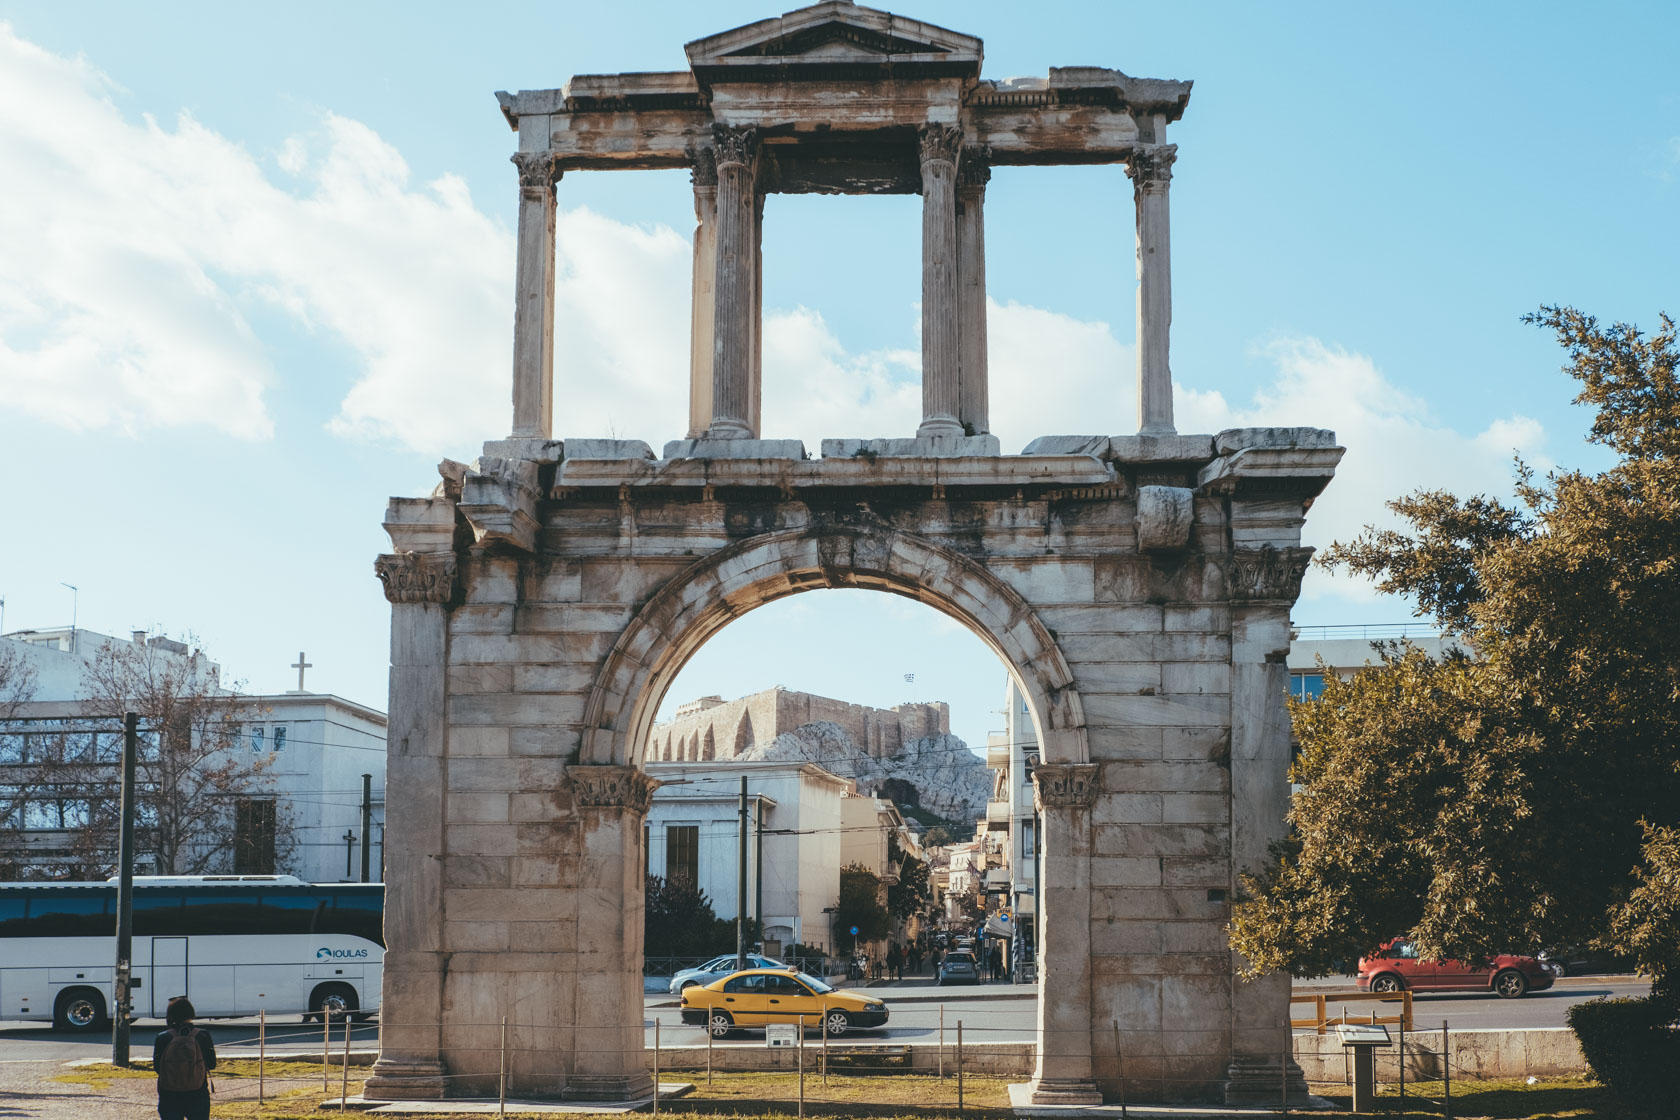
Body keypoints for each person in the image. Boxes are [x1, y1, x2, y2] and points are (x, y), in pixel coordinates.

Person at [154, 996, 216, 1120]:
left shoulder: (163, 1037)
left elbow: (157, 1068)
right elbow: (212, 1064)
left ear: (171, 1015)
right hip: (198, 1093)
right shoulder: (203, 1035)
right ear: (191, 1012)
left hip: (169, 1094)